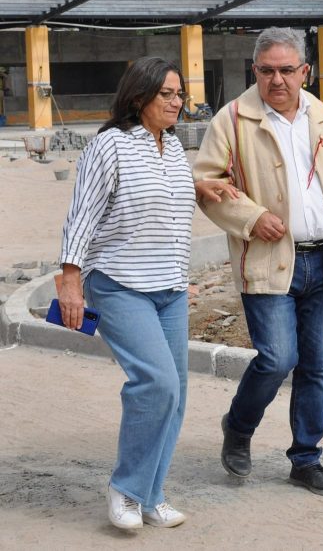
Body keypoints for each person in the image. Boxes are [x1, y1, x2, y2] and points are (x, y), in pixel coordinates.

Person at [193, 27, 323, 498]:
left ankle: (306, 459)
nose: (276, 79)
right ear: (255, 71)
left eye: (286, 69)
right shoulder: (233, 120)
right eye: (267, 70)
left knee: (316, 365)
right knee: (278, 357)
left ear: (305, 71)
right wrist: (251, 216)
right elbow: (206, 184)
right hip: (267, 261)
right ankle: (238, 427)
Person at [57, 56, 237, 531]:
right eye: (168, 95)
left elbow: (161, 190)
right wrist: (70, 280)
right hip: (119, 284)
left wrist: (200, 188)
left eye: (181, 95)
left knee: (175, 394)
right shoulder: (110, 145)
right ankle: (126, 489)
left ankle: (152, 494)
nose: (178, 103)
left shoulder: (172, 147)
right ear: (139, 98)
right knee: (155, 384)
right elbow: (83, 215)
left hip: (170, 288)